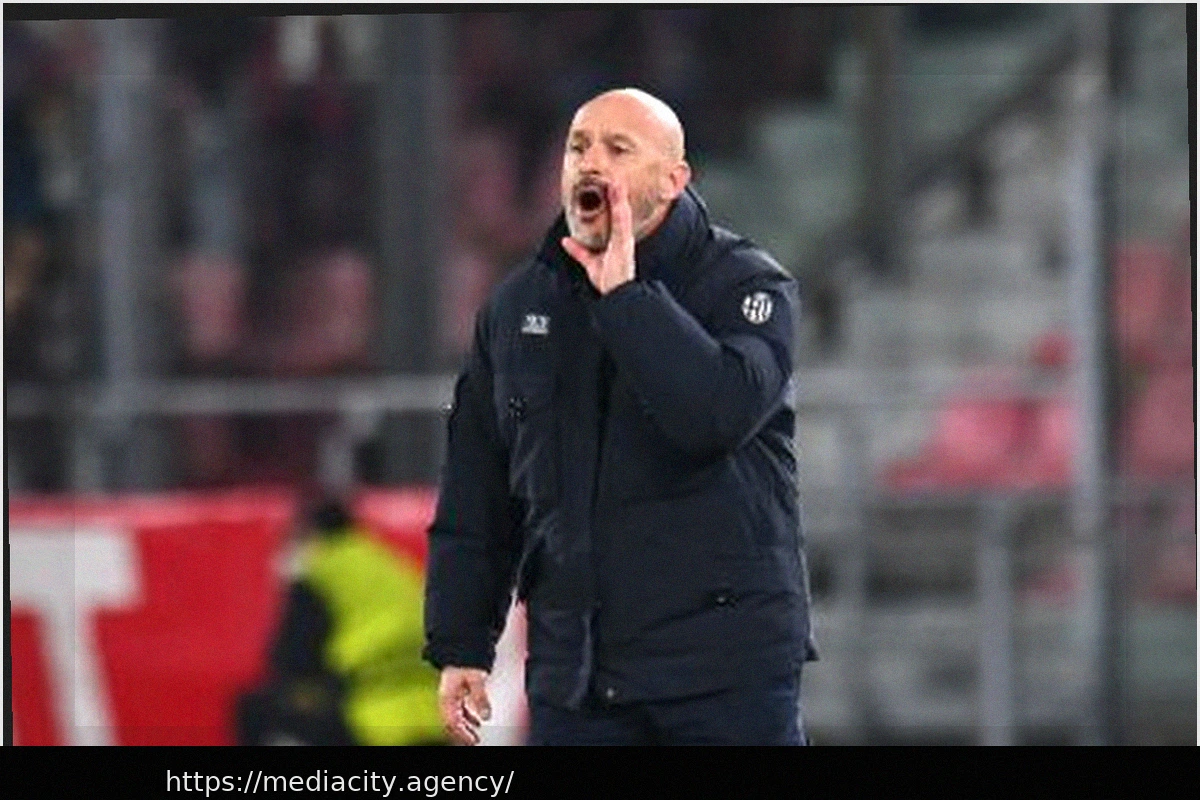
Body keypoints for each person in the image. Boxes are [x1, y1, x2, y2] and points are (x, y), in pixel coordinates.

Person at [424, 88, 816, 746]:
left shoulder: (746, 287)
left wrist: (628, 298)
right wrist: (462, 643)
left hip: (723, 678)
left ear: (674, 179)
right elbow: (477, 490)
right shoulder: (517, 308)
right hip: (578, 682)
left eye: (618, 148)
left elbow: (716, 415)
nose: (591, 163)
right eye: (578, 147)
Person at [238, 500, 445, 745]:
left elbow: (293, 654)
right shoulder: (390, 563)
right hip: (433, 712)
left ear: (310, 533)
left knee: (257, 710)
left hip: (368, 711)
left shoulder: (320, 572)